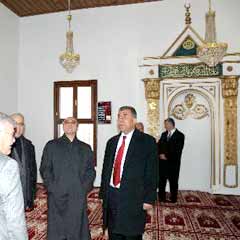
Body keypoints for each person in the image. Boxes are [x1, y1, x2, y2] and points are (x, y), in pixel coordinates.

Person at [99, 106, 158, 240]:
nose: (120, 119)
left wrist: (149, 198)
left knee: (131, 234)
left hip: (134, 196)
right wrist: (103, 193)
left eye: (125, 116)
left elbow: (152, 172)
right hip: (112, 195)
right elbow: (106, 170)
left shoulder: (147, 142)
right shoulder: (112, 142)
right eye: (119, 116)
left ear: (134, 120)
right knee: (114, 232)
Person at [40, 117, 96, 240]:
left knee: (77, 230)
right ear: (63, 126)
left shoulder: (85, 148)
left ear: (77, 127)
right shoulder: (51, 145)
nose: (70, 125)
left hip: (78, 195)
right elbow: (45, 169)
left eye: (73, 123)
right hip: (56, 195)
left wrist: (83, 189)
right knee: (57, 231)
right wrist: (52, 188)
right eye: (67, 122)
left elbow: (90, 171)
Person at [0, 112, 28, 240]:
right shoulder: (7, 165)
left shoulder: (29, 145)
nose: (13, 140)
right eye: (10, 134)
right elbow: (14, 220)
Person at [10, 113, 37, 210]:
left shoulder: (29, 145)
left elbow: (33, 173)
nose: (18, 127)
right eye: (15, 123)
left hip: (24, 193)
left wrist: (31, 195)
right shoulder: (2, 145)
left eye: (21, 124)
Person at [157, 118, 185, 203]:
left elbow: (178, 150)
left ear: (171, 124)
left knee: (173, 182)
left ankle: (173, 199)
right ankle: (161, 198)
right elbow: (159, 146)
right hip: (162, 163)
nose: (165, 126)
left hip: (173, 164)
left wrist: (166, 156)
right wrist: (160, 154)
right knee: (161, 181)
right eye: (165, 124)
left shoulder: (180, 135)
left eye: (166, 124)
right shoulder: (163, 134)